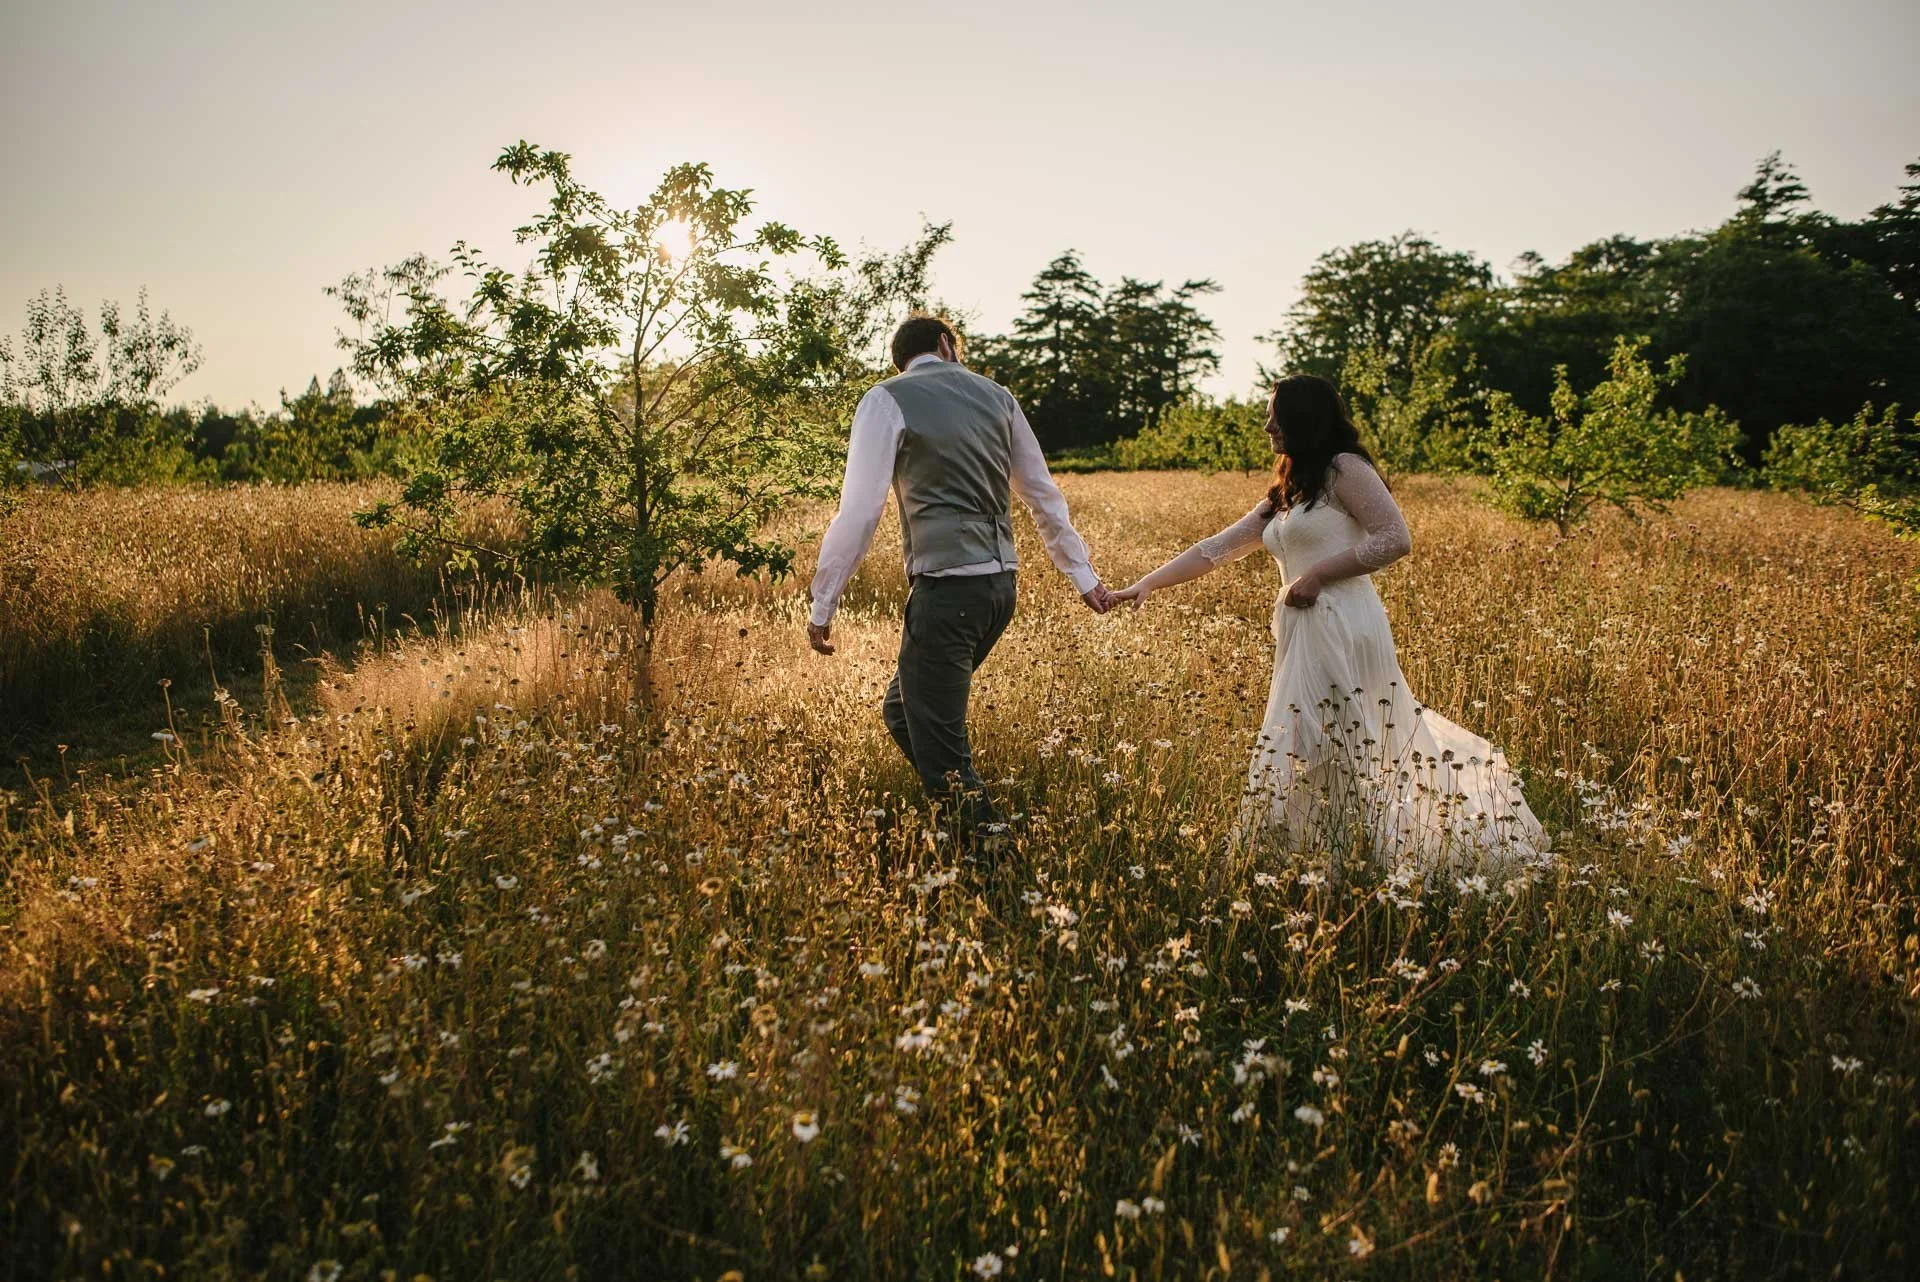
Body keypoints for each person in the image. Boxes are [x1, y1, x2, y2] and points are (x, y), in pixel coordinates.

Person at [1113, 374, 1549, 874]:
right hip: (1303, 631)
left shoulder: (1345, 468)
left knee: (1338, 738)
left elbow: (1395, 538)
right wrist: (1148, 583)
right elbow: (1217, 549)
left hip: (1344, 622)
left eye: (1276, 416)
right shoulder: (1291, 485)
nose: (1268, 426)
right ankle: (1325, 855)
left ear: (1304, 418)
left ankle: (1372, 856)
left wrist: (1319, 574)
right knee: (1315, 741)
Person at [806, 315, 1114, 839]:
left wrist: (823, 603)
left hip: (947, 592)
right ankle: (971, 828)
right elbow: (1042, 496)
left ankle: (994, 859)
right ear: (946, 344)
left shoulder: (886, 398)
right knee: (902, 711)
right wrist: (1084, 579)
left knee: (945, 755)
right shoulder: (999, 397)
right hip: (1000, 588)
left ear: (901, 361)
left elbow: (859, 512)